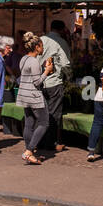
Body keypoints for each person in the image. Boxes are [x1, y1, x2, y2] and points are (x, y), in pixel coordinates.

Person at [16, 32, 53, 165]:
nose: (42, 49)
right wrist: (47, 71)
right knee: (44, 122)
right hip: (34, 96)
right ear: (37, 47)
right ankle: (29, 151)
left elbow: (28, 77)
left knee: (29, 123)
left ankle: (29, 152)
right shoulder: (34, 61)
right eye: (41, 46)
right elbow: (37, 82)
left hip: (24, 95)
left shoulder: (23, 59)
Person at [39, 20, 73, 152]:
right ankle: (50, 143)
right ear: (62, 29)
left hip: (40, 81)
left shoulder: (40, 40)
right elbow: (65, 64)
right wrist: (69, 76)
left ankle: (39, 140)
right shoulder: (61, 42)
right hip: (54, 82)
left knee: (42, 113)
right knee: (53, 114)